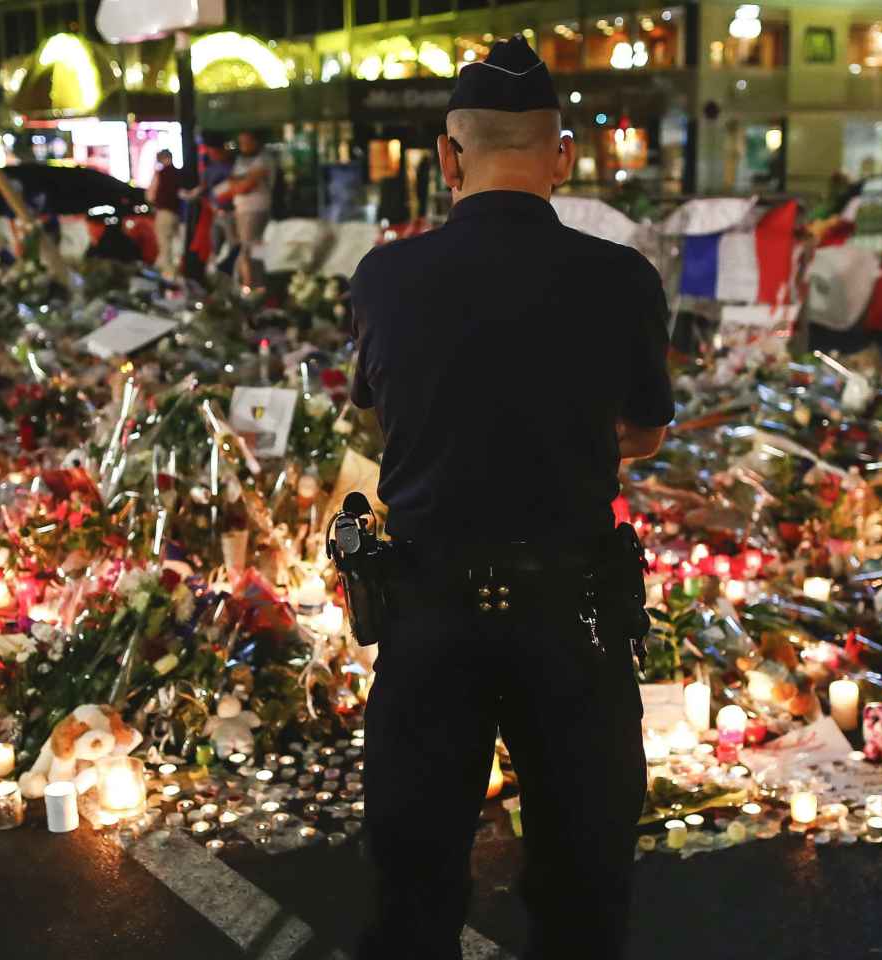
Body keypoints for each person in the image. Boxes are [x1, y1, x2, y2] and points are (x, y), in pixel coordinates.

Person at [348, 35, 671, 960]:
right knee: (583, 880)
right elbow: (644, 430)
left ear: (448, 157)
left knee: (414, 879)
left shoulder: (385, 276)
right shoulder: (621, 279)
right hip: (574, 613)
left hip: (429, 609)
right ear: (563, 155)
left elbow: (381, 423)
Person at [213, 131, 273, 292]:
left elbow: (245, 186)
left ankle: (253, 285)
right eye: (241, 142)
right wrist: (241, 181)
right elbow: (233, 182)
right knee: (249, 248)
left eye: (246, 142)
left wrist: (239, 183)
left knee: (251, 248)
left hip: (256, 210)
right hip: (242, 209)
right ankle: (254, 283)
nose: (243, 146)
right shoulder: (241, 160)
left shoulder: (264, 159)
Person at [146, 149, 183, 278]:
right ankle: (175, 271)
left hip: (163, 213)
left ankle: (168, 276)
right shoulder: (179, 174)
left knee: (165, 245)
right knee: (176, 245)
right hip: (177, 214)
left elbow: (150, 195)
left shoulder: (160, 174)